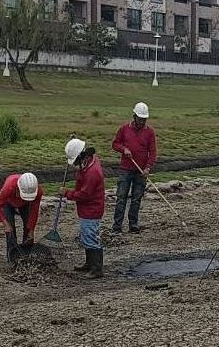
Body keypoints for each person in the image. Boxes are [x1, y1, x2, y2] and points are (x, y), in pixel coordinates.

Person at [62, 138, 106, 279]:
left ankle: (96, 269)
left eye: (75, 162)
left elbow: (84, 194)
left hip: (91, 209)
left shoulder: (92, 173)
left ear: (82, 157)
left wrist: (67, 193)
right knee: (87, 236)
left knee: (91, 237)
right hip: (88, 208)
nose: (75, 165)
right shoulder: (89, 161)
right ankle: (89, 263)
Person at [111, 102, 157, 234]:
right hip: (125, 169)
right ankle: (117, 226)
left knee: (137, 198)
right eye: (140, 119)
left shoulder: (150, 132)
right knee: (121, 197)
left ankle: (133, 224)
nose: (142, 121)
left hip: (141, 171)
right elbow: (115, 144)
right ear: (134, 116)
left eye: (144, 119)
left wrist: (148, 167)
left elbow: (153, 152)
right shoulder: (124, 129)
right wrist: (123, 149)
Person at [0, 172, 43, 264]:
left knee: (28, 230)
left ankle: (27, 256)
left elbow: (34, 211)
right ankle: (12, 259)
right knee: (10, 231)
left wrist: (31, 230)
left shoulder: (38, 191)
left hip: (26, 205)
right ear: (18, 188)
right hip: (8, 203)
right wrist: (5, 223)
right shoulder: (9, 187)